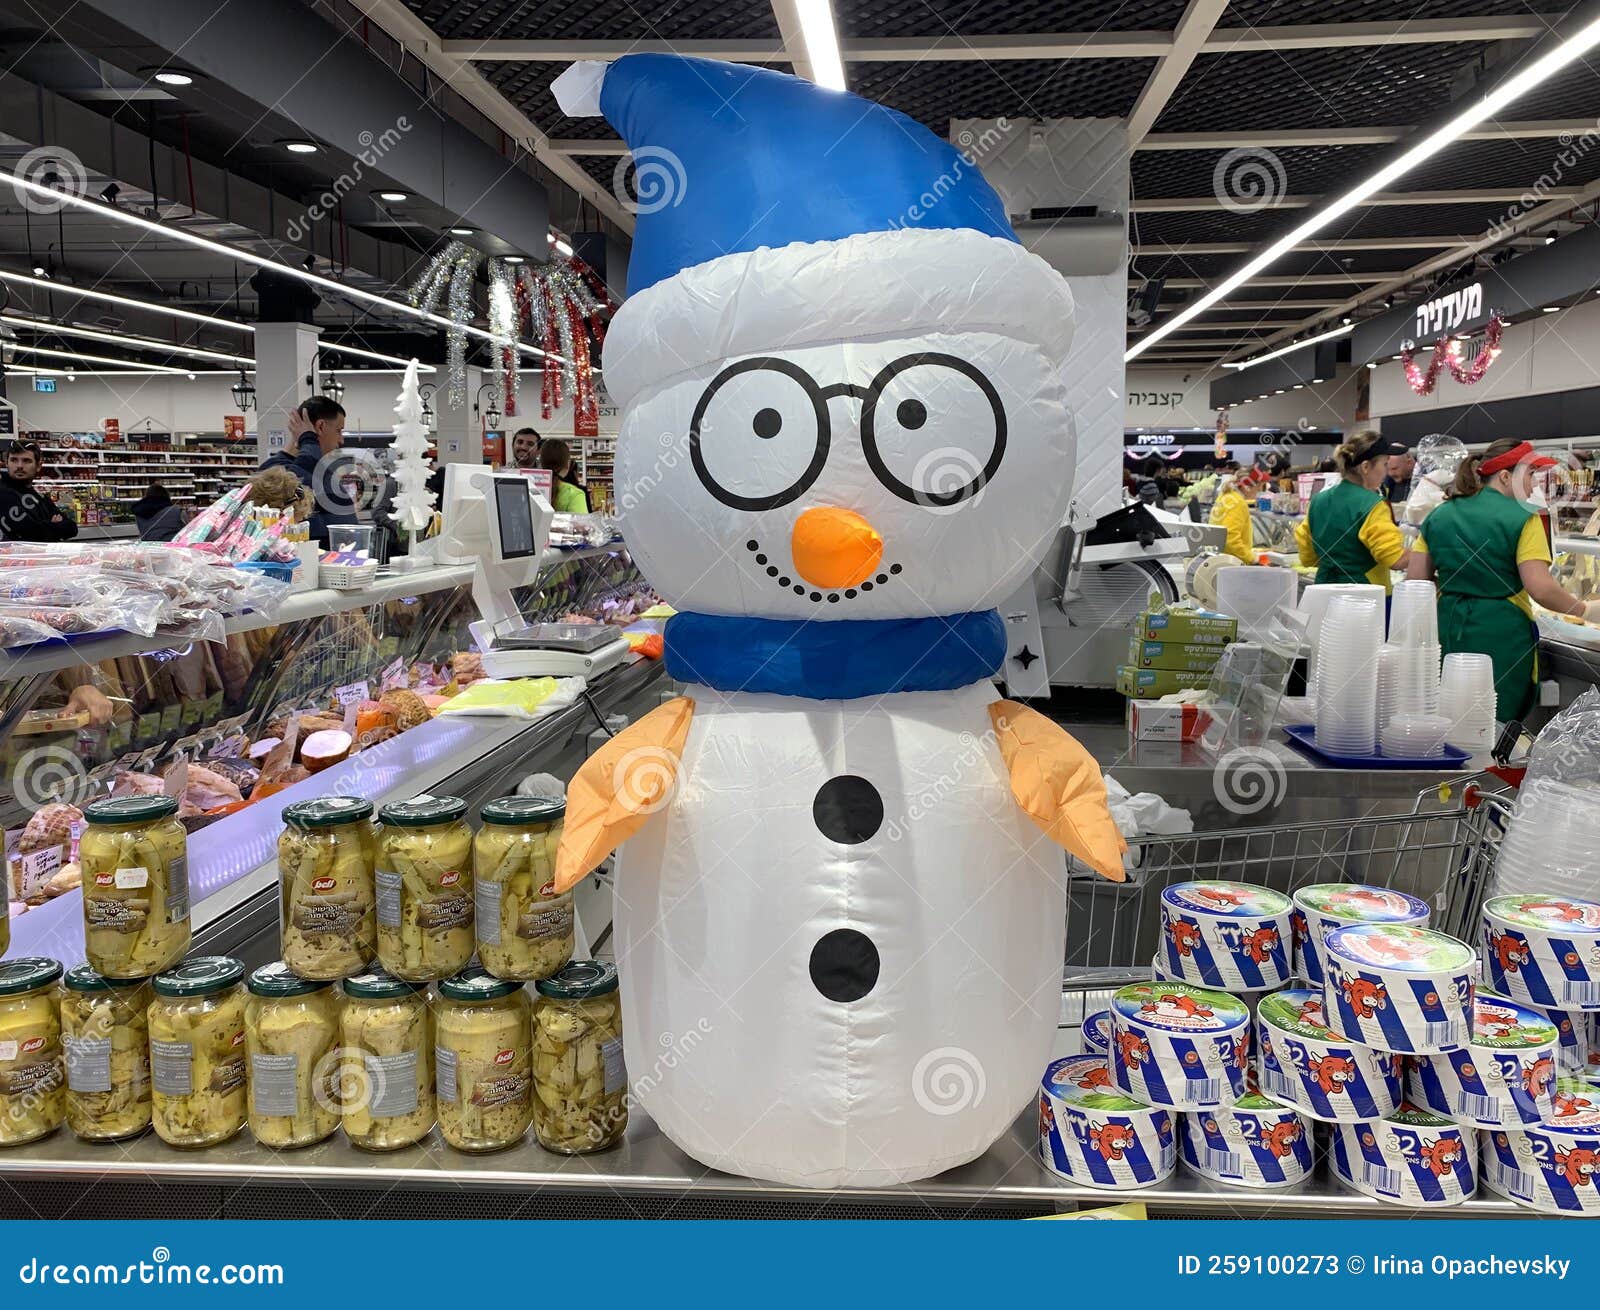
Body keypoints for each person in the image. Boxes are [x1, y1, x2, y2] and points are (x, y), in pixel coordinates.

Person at [1408, 438, 1600, 722]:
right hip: (1502, 633)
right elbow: (1541, 588)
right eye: (1531, 475)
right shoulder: (1523, 517)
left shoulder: (1440, 515)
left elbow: (1415, 581)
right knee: (1494, 723)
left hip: (1446, 626)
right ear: (1506, 476)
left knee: (1449, 718)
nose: (1535, 484)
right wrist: (1585, 610)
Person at [1295, 430, 1409, 590]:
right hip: (1365, 597)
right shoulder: (1373, 505)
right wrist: (1426, 547)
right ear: (1366, 467)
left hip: (1323, 591)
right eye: (1384, 464)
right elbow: (1395, 559)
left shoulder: (1318, 501)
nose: (1386, 472)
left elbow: (1308, 557)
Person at [256, 396, 357, 545]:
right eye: (339, 430)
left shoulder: (322, 470)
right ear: (320, 426)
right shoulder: (272, 469)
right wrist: (309, 440)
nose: (341, 440)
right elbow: (295, 486)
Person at [0, 439, 77, 541]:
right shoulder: (3, 493)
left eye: (26, 461)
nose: (19, 466)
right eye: (14, 460)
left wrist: (44, 528)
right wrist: (53, 526)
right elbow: (27, 532)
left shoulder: (39, 496)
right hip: (16, 556)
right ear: (6, 463)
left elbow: (72, 528)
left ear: (38, 466)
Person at [1209, 467, 1257, 564]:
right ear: (1246, 487)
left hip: (1221, 559)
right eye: (1261, 486)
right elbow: (1231, 539)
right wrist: (1252, 558)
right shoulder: (1237, 502)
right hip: (1233, 562)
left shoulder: (1225, 496)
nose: (1260, 490)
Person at [538, 438, 590, 513]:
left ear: (541, 463)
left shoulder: (532, 489)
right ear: (567, 464)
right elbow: (581, 524)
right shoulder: (574, 494)